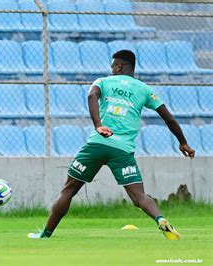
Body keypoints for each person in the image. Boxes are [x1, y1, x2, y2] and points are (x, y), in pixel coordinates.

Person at [28, 50, 195, 240]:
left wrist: (98, 125)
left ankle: (45, 234)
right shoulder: (145, 89)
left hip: (97, 144)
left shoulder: (103, 81)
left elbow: (92, 96)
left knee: (69, 190)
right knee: (139, 197)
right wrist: (183, 142)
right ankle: (160, 219)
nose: (112, 69)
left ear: (119, 66)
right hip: (122, 150)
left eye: (113, 66)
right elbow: (169, 119)